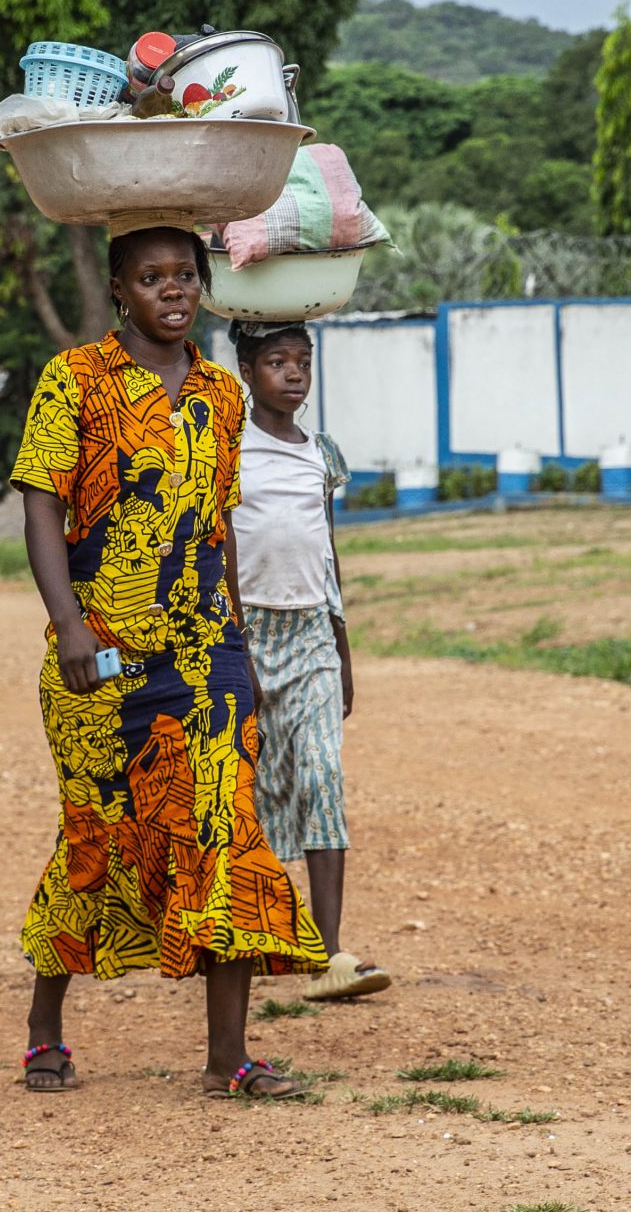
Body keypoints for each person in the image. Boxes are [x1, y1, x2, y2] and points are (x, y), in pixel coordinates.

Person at [10, 224, 324, 1101]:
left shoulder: (223, 393)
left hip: (205, 651)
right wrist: (69, 624)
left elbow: (219, 526)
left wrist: (241, 649)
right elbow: (41, 508)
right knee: (97, 831)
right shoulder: (73, 379)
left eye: (186, 274)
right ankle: (45, 1028)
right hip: (100, 654)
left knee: (227, 825)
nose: (173, 290)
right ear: (119, 288)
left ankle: (230, 1057)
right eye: (152, 277)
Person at [231, 321, 388, 1002]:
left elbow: (327, 551)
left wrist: (342, 649)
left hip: (313, 636)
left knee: (322, 774)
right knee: (253, 790)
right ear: (246, 370)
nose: (294, 373)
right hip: (245, 635)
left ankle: (329, 954)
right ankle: (246, 935)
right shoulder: (228, 449)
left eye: (303, 360)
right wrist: (233, 645)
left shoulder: (321, 453)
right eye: (276, 361)